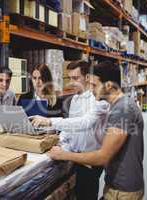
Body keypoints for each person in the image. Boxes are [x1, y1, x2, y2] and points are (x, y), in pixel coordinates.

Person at [48, 61, 145, 200]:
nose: (91, 89)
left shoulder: (122, 110)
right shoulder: (117, 106)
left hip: (123, 191)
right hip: (115, 185)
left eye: (94, 85)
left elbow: (102, 156)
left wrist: (64, 155)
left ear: (109, 85)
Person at [30, 60, 110, 200]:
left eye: (75, 78)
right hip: (74, 157)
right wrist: (57, 142)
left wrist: (50, 121)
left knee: (87, 195)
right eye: (69, 78)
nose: (71, 82)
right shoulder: (74, 99)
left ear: (86, 78)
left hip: (89, 160)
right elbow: (70, 127)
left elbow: (84, 123)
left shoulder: (95, 100)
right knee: (75, 193)